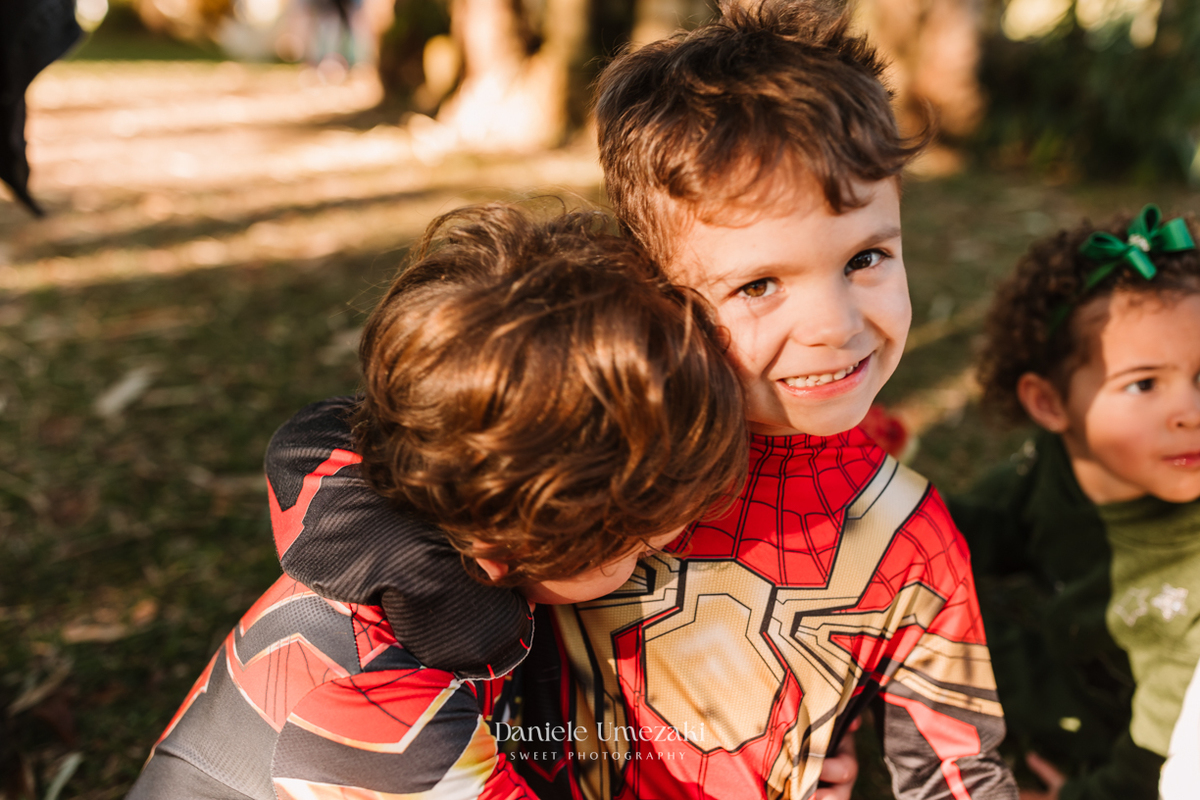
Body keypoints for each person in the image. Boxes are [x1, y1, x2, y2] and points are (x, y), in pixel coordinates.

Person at [265, 3, 1019, 799]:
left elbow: (956, 771)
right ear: (654, 287)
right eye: (759, 283)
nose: (834, 326)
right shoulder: (581, 430)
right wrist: (447, 596)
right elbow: (320, 450)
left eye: (867, 256)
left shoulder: (915, 543)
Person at [126, 204, 751, 799]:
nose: (659, 555)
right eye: (637, 547)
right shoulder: (375, 699)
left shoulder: (430, 538)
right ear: (510, 550)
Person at [948, 204, 1200, 800]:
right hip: (1057, 658)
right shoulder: (1051, 467)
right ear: (1051, 405)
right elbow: (966, 532)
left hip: (1128, 737)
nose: (1190, 412)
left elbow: (1161, 758)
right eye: (1144, 383)